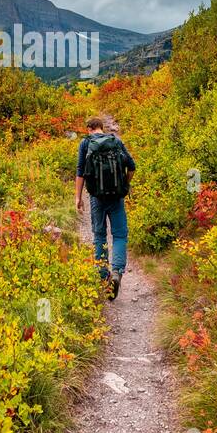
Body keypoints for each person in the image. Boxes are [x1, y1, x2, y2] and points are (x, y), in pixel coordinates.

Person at [75, 115, 136, 299]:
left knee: (100, 235)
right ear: (102, 127)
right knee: (119, 235)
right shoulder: (115, 141)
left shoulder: (85, 144)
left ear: (89, 129)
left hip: (96, 199)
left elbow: (80, 172)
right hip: (116, 197)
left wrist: (78, 197)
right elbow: (131, 166)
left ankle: (104, 278)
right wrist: (125, 184)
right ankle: (117, 272)